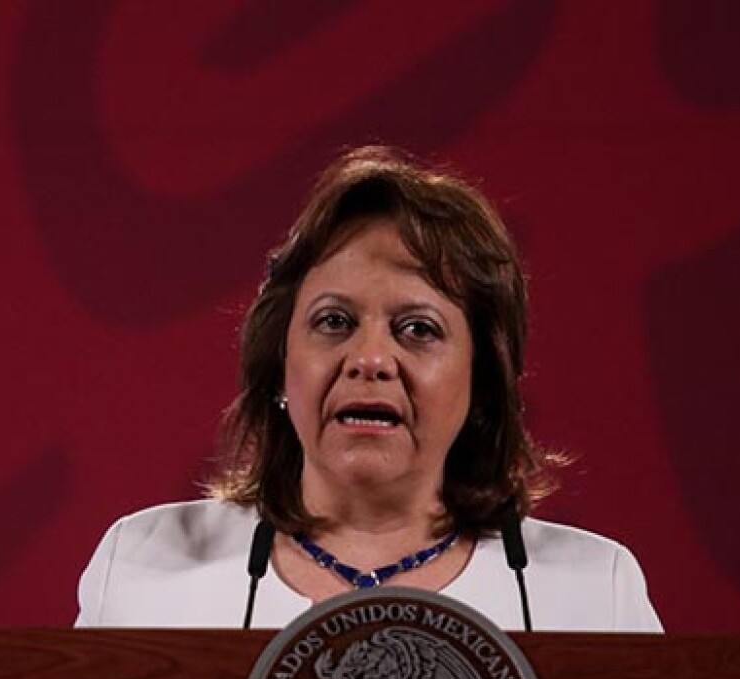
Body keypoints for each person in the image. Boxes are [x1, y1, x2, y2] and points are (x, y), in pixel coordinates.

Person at [76, 146, 660, 632]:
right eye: (334, 322)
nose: (372, 359)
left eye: (418, 330)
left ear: (483, 382)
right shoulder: (142, 568)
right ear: (280, 364)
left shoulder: (594, 596)